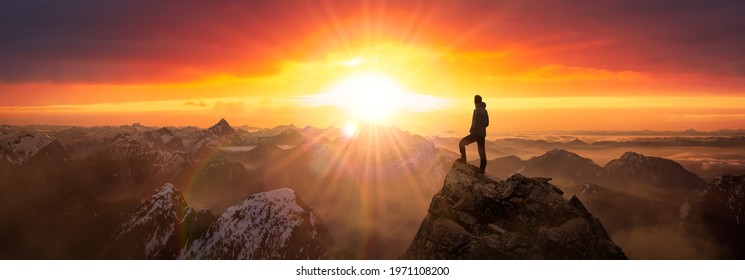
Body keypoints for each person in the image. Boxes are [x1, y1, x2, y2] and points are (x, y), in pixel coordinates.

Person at [458, 94, 489, 173]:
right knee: (481, 151)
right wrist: (482, 129)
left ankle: (463, 159)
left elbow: (476, 123)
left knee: (462, 143)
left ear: (475, 101)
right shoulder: (485, 110)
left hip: (476, 134)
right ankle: (482, 169)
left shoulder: (477, 110)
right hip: (482, 134)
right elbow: (487, 123)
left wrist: (472, 130)